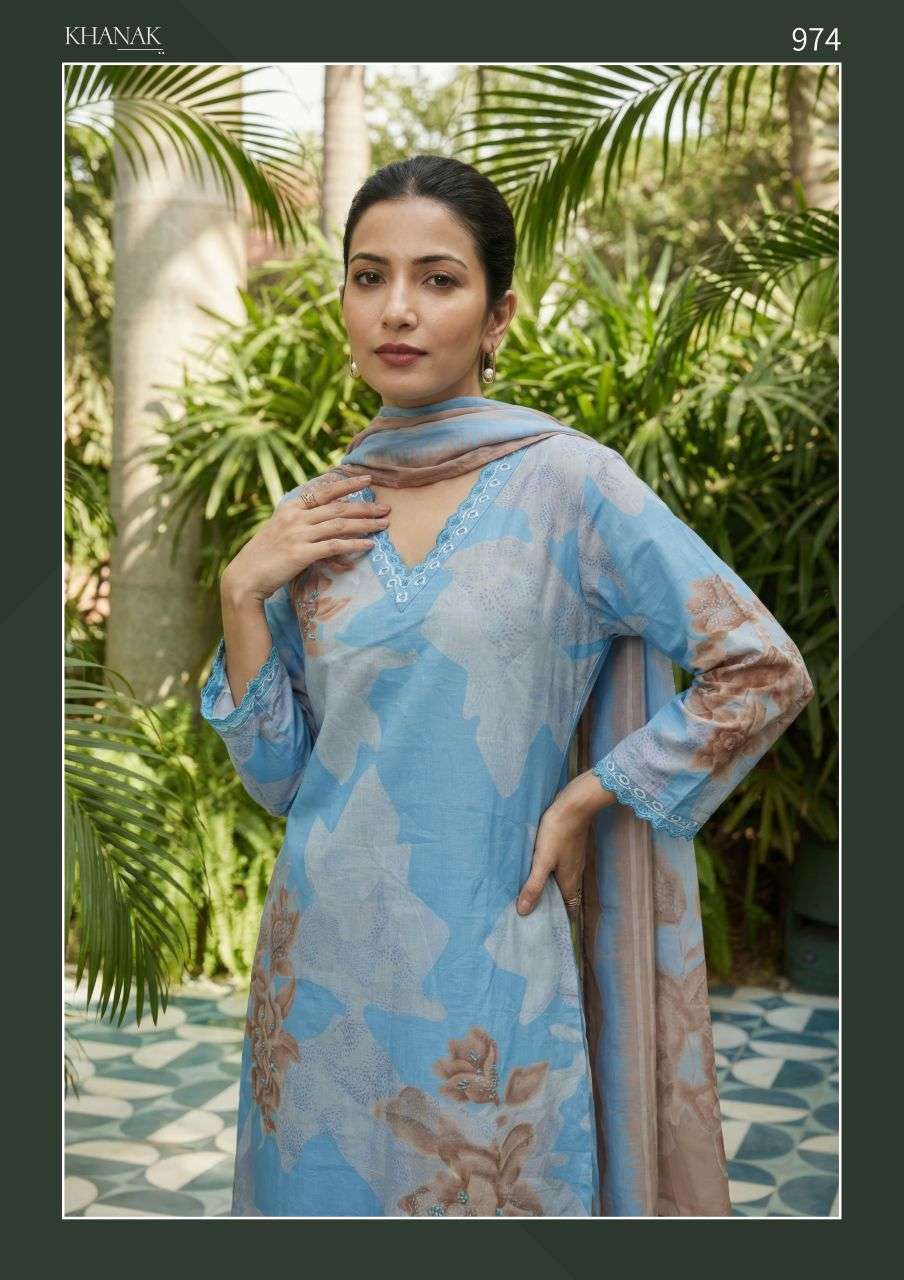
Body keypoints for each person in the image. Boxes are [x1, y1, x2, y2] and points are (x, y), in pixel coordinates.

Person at [200, 154, 815, 1218]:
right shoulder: (317, 517)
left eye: (438, 279)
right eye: (368, 276)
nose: (397, 308)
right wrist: (241, 593)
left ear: (498, 315)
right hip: (320, 984)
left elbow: (759, 666)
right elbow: (281, 781)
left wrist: (586, 797)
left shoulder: (569, 485)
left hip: (488, 969)